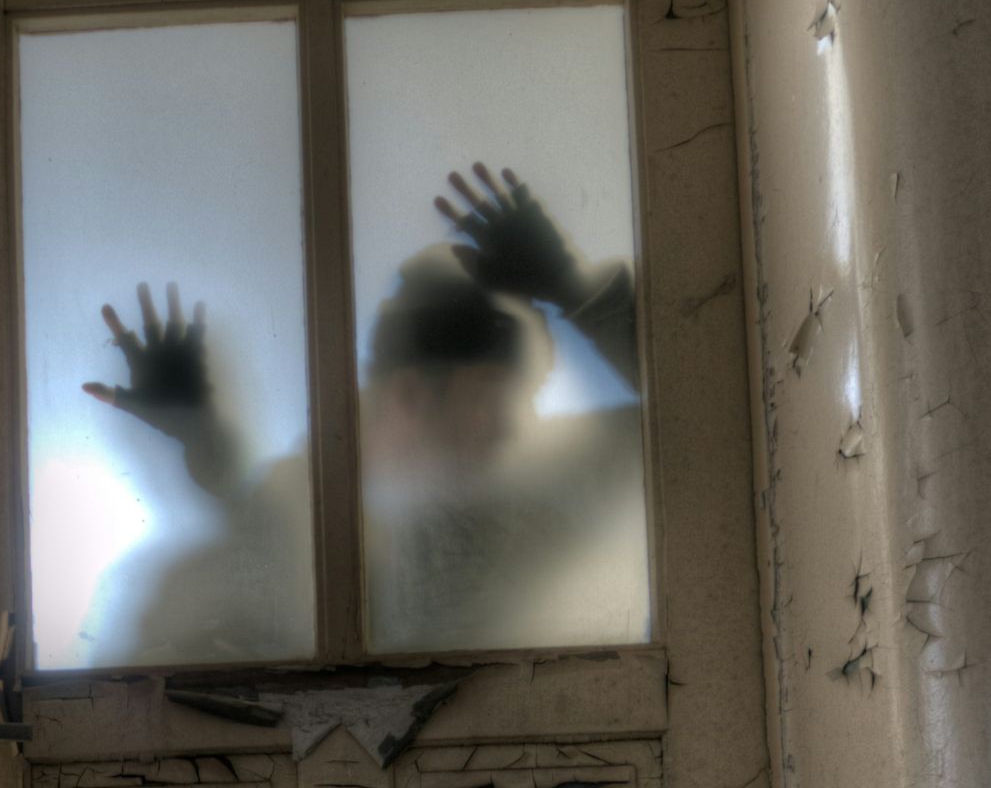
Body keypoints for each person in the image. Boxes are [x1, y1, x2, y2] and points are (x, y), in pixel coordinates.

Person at [80, 164, 645, 663]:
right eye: (494, 396)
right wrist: (204, 444)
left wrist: (575, 289)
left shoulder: (539, 517)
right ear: (410, 395)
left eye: (527, 396)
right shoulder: (262, 546)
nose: (512, 423)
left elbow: (703, 423)